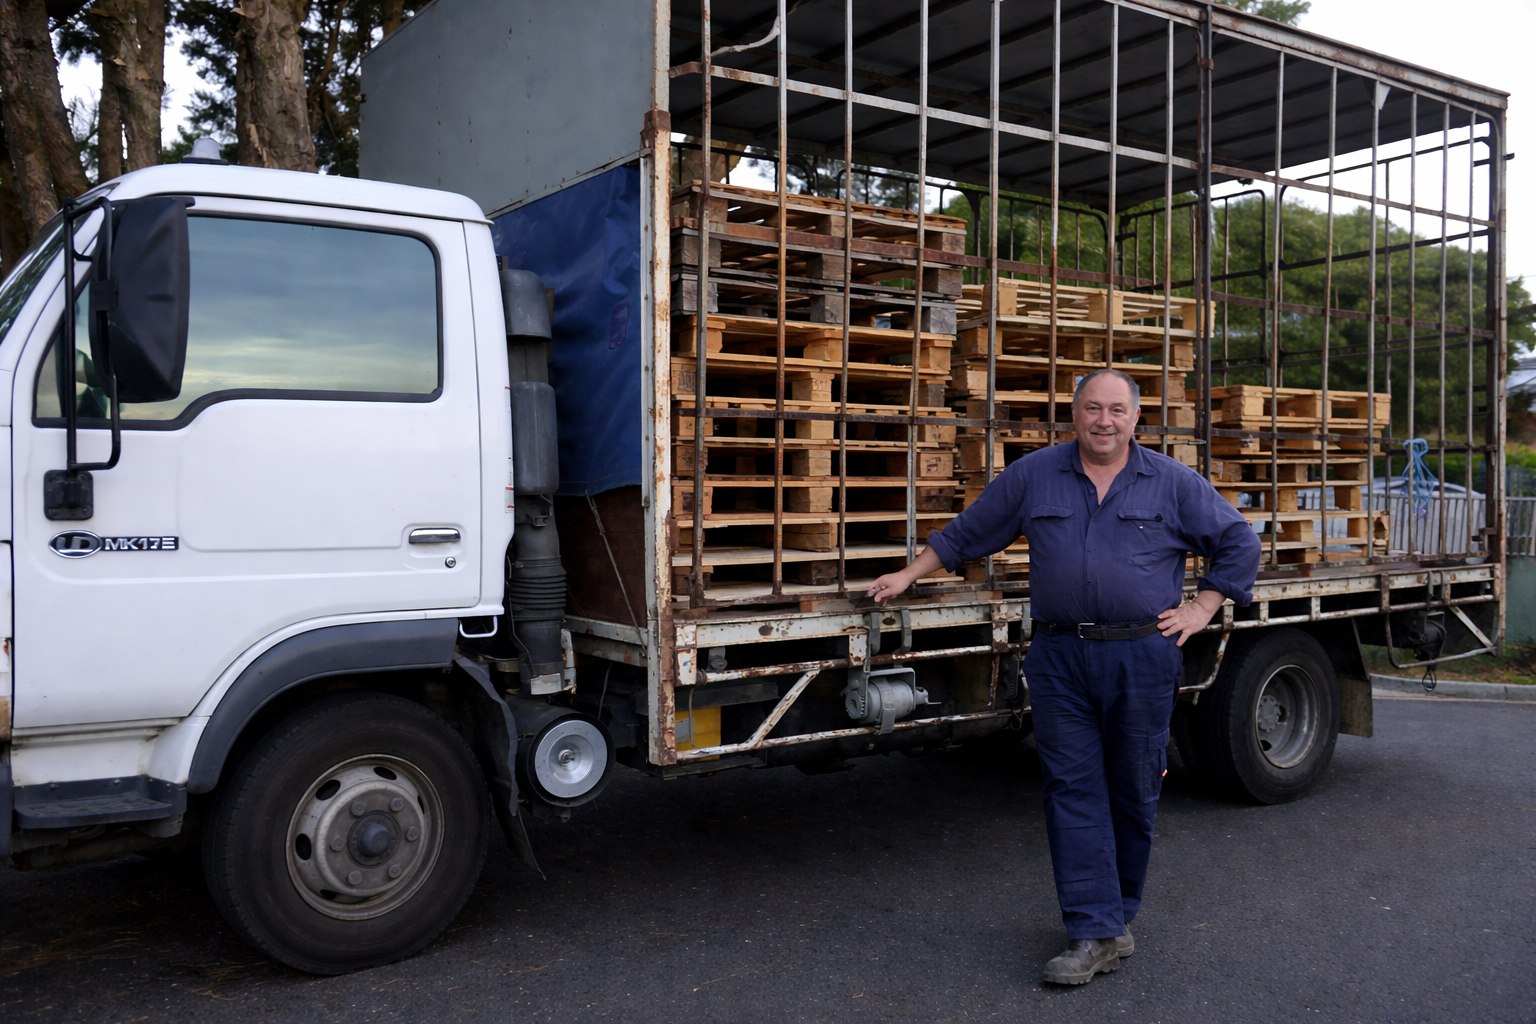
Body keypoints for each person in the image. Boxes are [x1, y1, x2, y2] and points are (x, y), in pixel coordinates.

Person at [867, 368, 1261, 986]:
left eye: (1116, 410)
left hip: (1141, 655)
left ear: (1136, 418)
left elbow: (1238, 542)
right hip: (1060, 658)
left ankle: (1116, 915)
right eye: (1092, 409)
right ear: (1073, 415)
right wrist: (908, 575)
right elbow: (971, 532)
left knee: (1133, 786)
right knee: (1071, 789)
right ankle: (1092, 929)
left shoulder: (1172, 483)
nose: (1103, 421)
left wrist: (1203, 606)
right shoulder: (1035, 475)